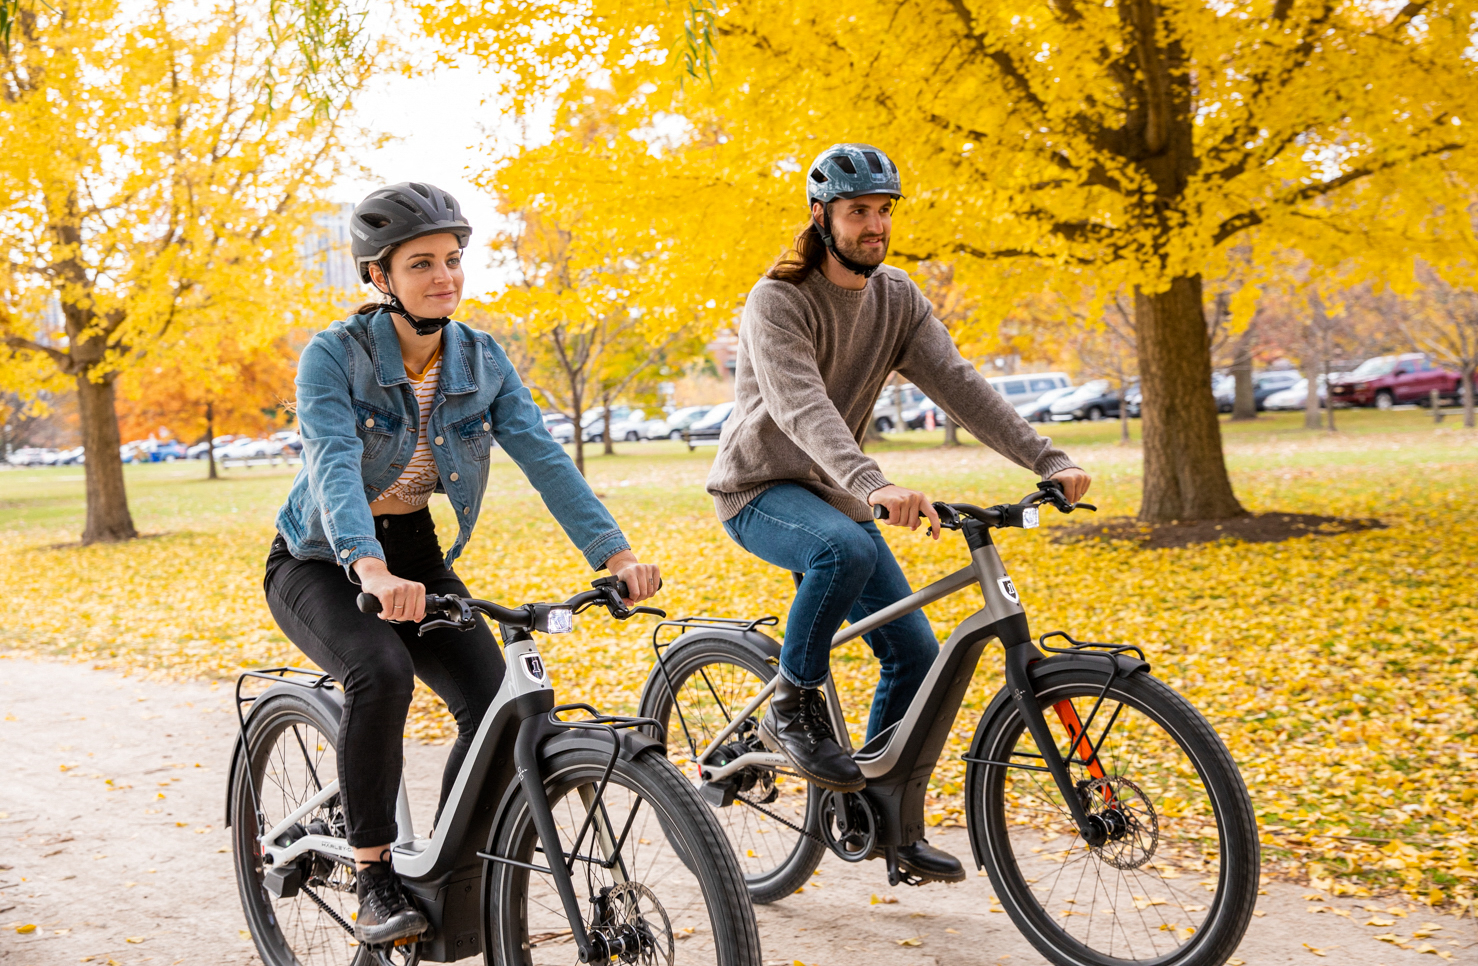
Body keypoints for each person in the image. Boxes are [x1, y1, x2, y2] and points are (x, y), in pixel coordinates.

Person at [263, 182, 662, 943]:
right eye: (421, 264)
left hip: (414, 550)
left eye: (452, 259)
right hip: (319, 558)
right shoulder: (334, 356)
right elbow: (333, 463)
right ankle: (376, 876)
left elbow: (544, 458)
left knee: (490, 704)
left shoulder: (480, 359)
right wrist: (368, 568)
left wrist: (616, 554)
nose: (444, 275)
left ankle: (446, 866)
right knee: (379, 672)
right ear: (379, 279)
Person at [705, 144, 1090, 883]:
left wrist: (1048, 459)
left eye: (884, 211)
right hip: (760, 489)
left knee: (916, 653)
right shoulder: (777, 299)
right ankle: (792, 702)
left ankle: (878, 817)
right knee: (842, 553)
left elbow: (960, 384)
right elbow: (799, 407)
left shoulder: (898, 297)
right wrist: (871, 482)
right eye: (858, 212)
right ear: (822, 217)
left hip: (837, 492)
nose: (875, 225)